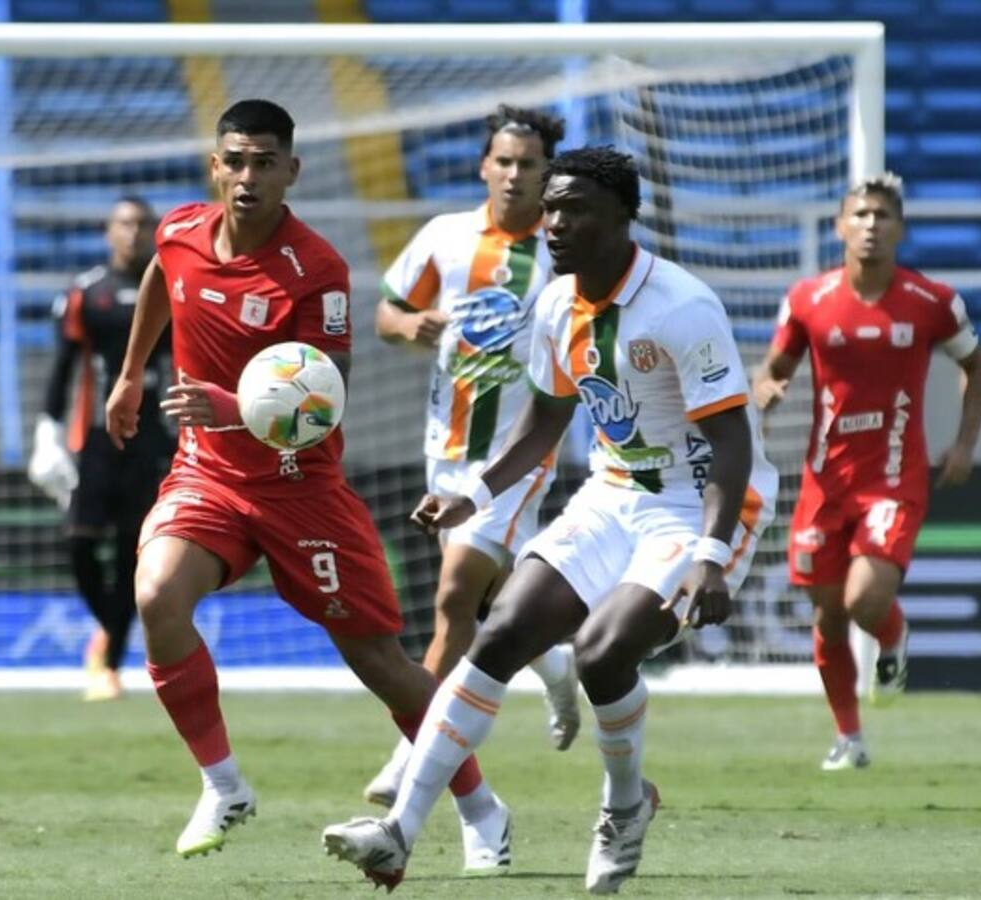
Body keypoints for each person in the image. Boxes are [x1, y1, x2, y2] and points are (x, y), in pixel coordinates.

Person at [323, 147, 778, 894]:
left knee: (602, 653)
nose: (555, 221)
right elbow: (543, 420)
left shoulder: (682, 306)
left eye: (575, 209)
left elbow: (732, 444)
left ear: (623, 218)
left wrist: (711, 554)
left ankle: (625, 807)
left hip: (697, 505)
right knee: (500, 629)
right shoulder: (556, 303)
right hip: (611, 494)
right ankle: (398, 830)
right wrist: (476, 491)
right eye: (553, 206)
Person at [104, 99, 509, 874]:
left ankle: (480, 805)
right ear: (214, 166)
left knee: (384, 666)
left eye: (265, 163)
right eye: (236, 161)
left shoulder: (313, 269)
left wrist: (232, 403)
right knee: (156, 595)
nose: (248, 177)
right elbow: (163, 275)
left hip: (300, 490)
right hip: (208, 475)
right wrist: (130, 377)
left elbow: (330, 397)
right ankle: (223, 784)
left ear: (292, 171)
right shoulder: (181, 231)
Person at [364, 104, 581, 808]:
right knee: (496, 597)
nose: (515, 175)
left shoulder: (563, 250)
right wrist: (410, 324)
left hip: (520, 452)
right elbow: (386, 313)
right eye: (505, 162)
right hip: (446, 446)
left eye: (529, 165)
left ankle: (409, 754)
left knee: (455, 593)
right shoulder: (446, 236)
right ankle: (555, 664)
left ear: (549, 175)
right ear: (484, 166)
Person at [752, 173, 981, 771]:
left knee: (864, 599)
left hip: (892, 476)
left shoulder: (931, 302)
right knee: (829, 617)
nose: (870, 226)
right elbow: (773, 365)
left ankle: (893, 635)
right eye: (859, 215)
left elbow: (977, 368)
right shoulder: (808, 299)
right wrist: (768, 387)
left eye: (882, 216)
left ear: (900, 230)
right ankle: (849, 738)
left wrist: (964, 442)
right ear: (840, 227)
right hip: (824, 480)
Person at [27, 196, 173, 702]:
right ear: (109, 231)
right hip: (92, 438)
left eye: (142, 224)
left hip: (151, 438)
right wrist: (47, 429)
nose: (134, 233)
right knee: (80, 543)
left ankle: (109, 664)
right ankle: (110, 633)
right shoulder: (86, 294)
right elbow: (63, 367)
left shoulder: (171, 289)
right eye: (125, 224)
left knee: (137, 552)